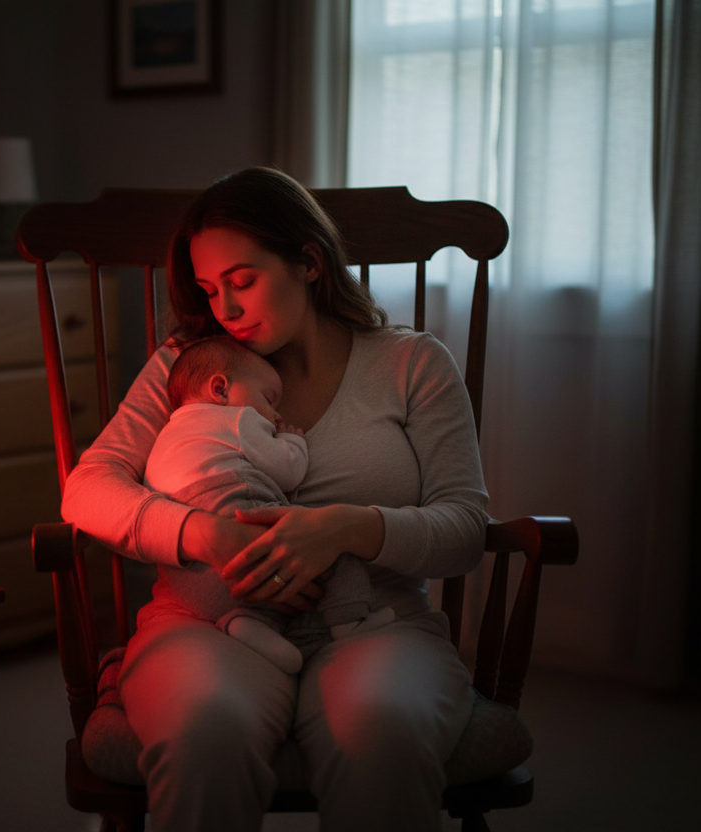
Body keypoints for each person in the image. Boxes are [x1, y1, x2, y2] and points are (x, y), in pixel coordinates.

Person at [61, 167, 488, 832]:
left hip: (375, 621)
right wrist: (207, 535)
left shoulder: (412, 364)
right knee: (207, 732)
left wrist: (348, 528)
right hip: (209, 621)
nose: (225, 310)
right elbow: (87, 487)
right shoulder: (196, 366)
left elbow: (464, 526)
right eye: (210, 290)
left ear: (309, 262)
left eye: (243, 280)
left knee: (382, 732)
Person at [143, 334, 395, 674]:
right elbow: (288, 471)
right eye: (268, 398)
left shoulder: (164, 437)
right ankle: (351, 620)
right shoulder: (238, 419)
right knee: (328, 539)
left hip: (191, 582)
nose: (275, 413)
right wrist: (292, 440)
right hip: (233, 508)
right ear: (220, 389)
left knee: (260, 594)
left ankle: (245, 622)